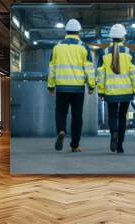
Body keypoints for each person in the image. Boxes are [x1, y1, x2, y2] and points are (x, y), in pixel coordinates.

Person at [48, 18, 96, 152]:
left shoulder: (57, 47)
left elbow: (52, 67)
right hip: (78, 88)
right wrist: (91, 86)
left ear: (66, 31)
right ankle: (75, 145)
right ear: (79, 31)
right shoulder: (83, 47)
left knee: (61, 111)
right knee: (77, 116)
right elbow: (89, 69)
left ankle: (61, 131)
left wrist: (51, 86)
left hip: (62, 86)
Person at [97, 24, 135, 153]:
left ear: (111, 37)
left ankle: (113, 133)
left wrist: (101, 90)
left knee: (112, 117)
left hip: (110, 91)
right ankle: (120, 145)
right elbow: (134, 73)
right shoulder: (129, 52)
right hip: (126, 92)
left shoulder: (104, 53)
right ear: (124, 37)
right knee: (122, 118)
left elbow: (100, 74)